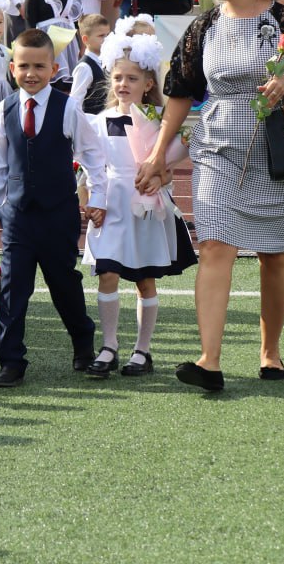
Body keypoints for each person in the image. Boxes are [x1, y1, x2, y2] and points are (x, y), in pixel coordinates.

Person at [135, 0, 284, 392]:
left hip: (279, 150)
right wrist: (157, 153)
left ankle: (270, 351)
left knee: (274, 251)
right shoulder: (204, 26)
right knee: (214, 245)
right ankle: (209, 361)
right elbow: (180, 94)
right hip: (217, 148)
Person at [0, 26, 108, 387]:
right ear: (12, 68)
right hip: (16, 217)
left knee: (64, 283)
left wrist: (98, 198)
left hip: (58, 214)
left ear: (54, 68)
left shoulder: (68, 108)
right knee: (14, 289)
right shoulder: (4, 109)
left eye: (39, 67)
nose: (31, 74)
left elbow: (93, 156)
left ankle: (83, 345)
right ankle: (11, 359)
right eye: (23, 66)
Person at [82, 32, 195, 377]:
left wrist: (161, 175)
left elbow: (172, 157)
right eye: (117, 77)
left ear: (148, 83)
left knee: (145, 280)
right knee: (108, 273)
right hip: (112, 205)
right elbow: (92, 168)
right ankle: (109, 345)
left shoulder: (160, 118)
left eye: (132, 78)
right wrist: (90, 202)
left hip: (146, 205)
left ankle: (142, 351)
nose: (123, 84)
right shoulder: (98, 121)